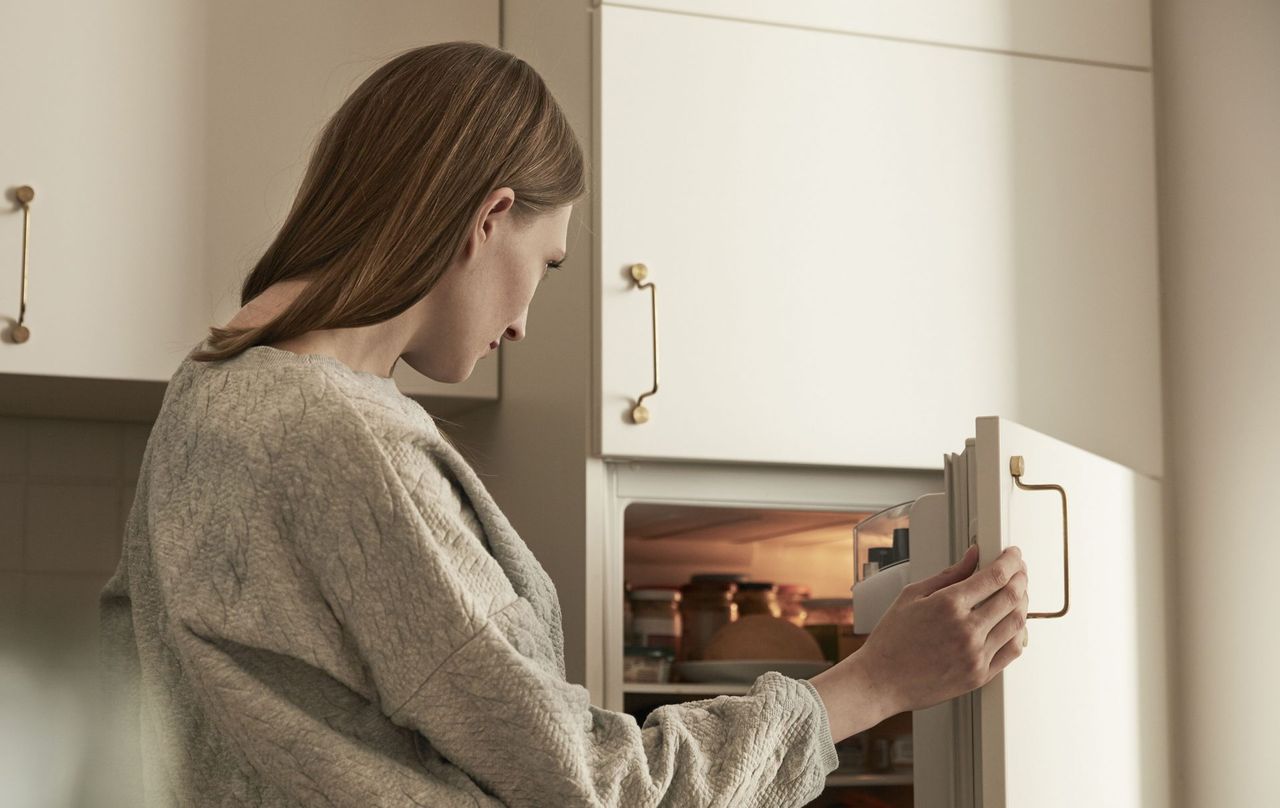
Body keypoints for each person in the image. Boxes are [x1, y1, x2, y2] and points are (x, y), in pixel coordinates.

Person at [97, 41, 1029, 807]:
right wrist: (870, 685)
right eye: (546, 263)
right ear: (489, 217)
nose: (523, 323)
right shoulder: (340, 440)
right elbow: (587, 789)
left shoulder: (209, 395)